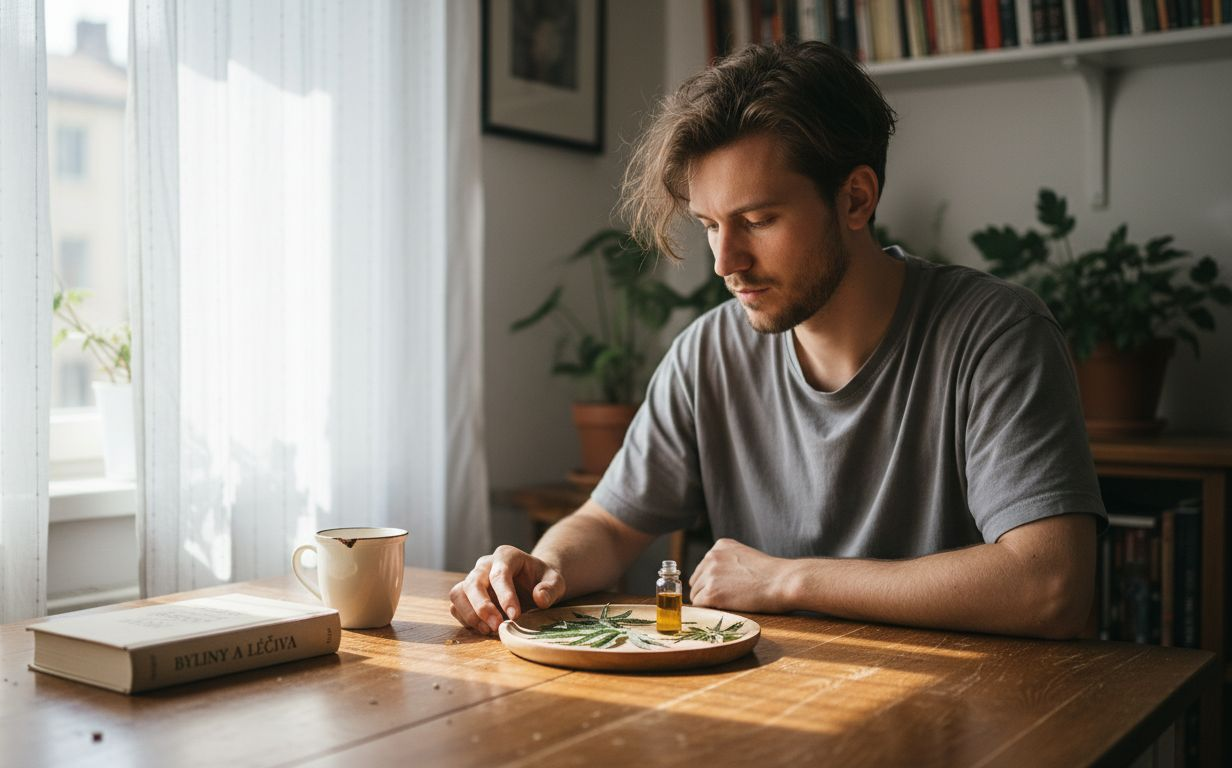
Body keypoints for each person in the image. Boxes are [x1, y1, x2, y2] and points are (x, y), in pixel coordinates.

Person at [450, 41, 1105, 640]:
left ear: (855, 199)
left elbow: (1050, 586)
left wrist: (791, 578)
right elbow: (609, 524)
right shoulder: (708, 354)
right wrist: (543, 566)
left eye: (757, 220)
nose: (724, 261)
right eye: (709, 225)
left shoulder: (995, 335)